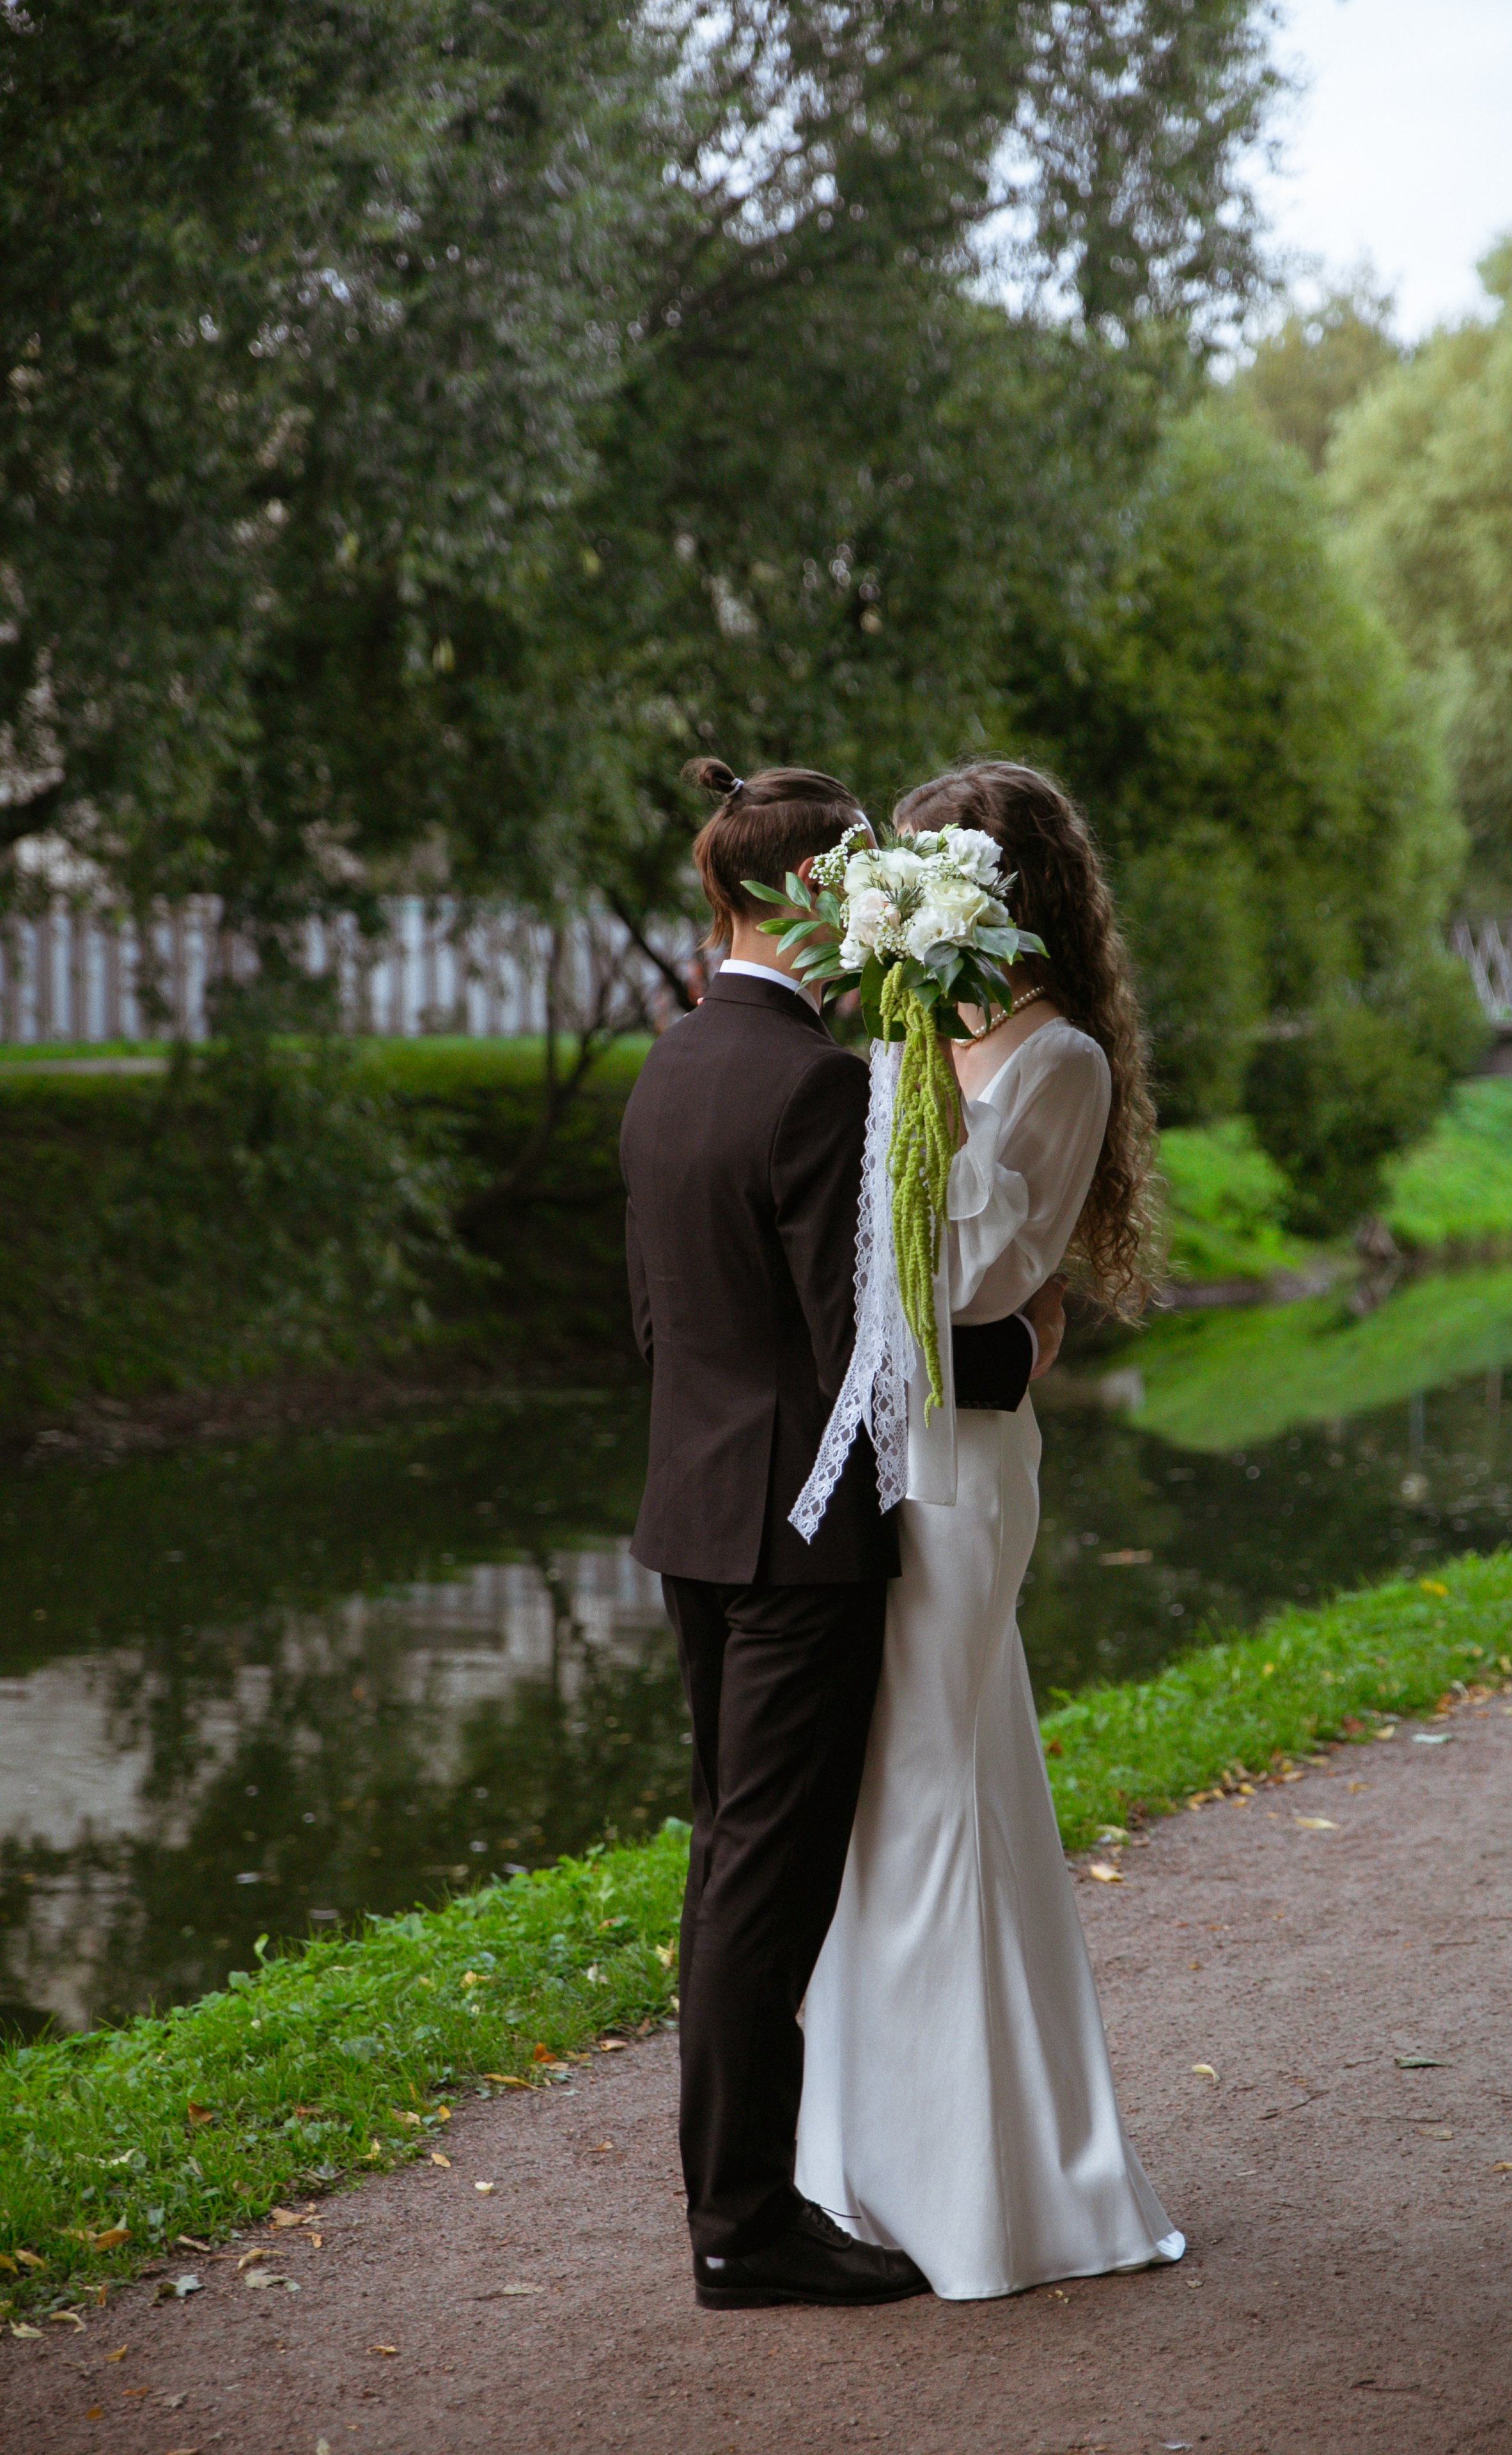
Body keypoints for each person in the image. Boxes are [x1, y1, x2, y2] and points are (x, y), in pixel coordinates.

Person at [619, 758, 1065, 2311]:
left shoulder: (670, 1066)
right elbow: (867, 1343)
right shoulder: (810, 1082)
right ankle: (746, 2228)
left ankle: (730, 2198)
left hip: (688, 1513)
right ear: (811, 896)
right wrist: (1026, 1352)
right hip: (797, 1546)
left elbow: (655, 1322)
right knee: (768, 1881)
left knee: (721, 1864)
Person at [795, 758, 1186, 2298]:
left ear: (1002, 899)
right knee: (911, 1784)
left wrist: (906, 1090)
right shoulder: (912, 1038)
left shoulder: (1059, 1063)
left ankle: (968, 2191)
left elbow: (959, 1278)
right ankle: (882, 2161)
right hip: (886, 1448)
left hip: (963, 1470)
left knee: (933, 1782)